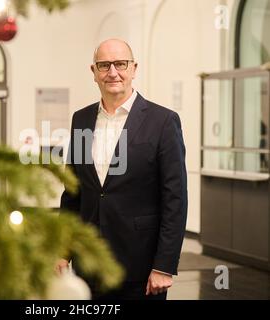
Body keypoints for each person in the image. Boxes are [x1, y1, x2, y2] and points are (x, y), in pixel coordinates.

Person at [58, 39, 188, 300]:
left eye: (120, 64)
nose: (113, 72)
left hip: (140, 269)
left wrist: (164, 266)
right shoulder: (81, 119)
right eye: (104, 65)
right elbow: (73, 192)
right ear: (93, 72)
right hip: (89, 266)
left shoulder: (163, 121)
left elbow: (175, 198)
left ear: (134, 68)